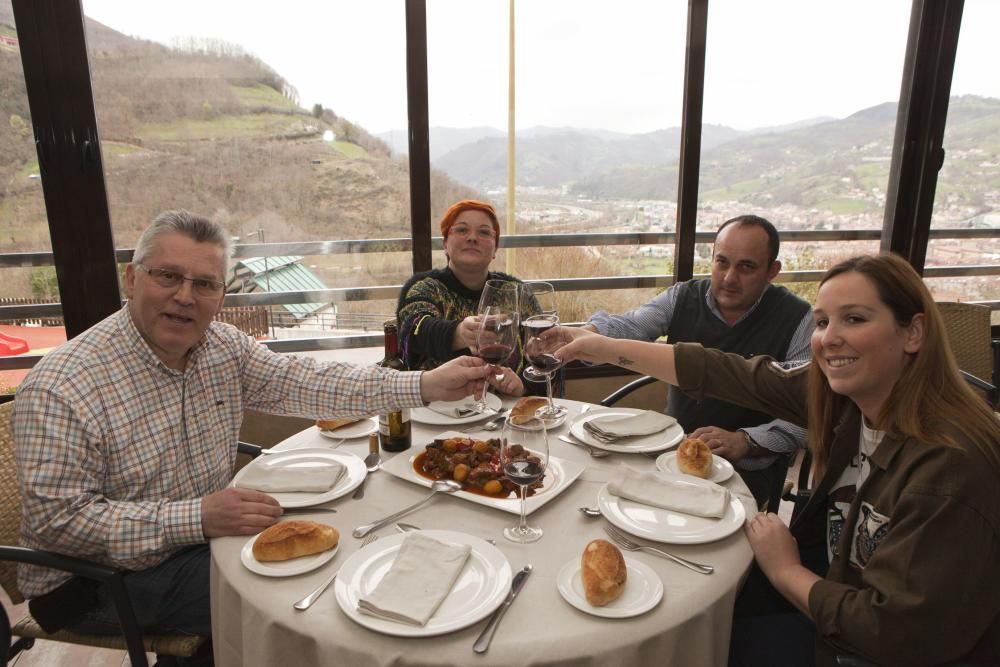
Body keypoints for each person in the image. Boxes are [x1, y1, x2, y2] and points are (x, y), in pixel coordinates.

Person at [11, 210, 490, 666]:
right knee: (314, 600)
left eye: (204, 284)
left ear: (222, 295)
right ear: (132, 280)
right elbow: (60, 523)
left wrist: (424, 385)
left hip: (203, 539)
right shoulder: (63, 385)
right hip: (97, 582)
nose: (185, 296)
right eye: (168, 276)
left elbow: (308, 381)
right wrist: (196, 517)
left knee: (354, 537)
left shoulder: (220, 346)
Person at [548, 253, 1000, 666]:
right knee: (688, 599)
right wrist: (600, 346)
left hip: (862, 645)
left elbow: (891, 631)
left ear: (914, 332)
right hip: (836, 576)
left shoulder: (948, 467)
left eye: (855, 319)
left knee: (696, 639)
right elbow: (732, 373)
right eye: (822, 322)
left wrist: (785, 570)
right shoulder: (848, 394)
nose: (829, 339)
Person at [586, 214, 813, 508]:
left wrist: (746, 441)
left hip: (747, 471)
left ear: (772, 271)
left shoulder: (797, 318)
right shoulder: (683, 297)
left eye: (746, 267)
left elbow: (808, 415)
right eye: (722, 262)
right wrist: (589, 335)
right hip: (670, 452)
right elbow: (631, 328)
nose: (730, 278)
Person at [396, 199, 539, 398]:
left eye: (484, 232)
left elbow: (545, 354)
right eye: (462, 230)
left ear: (495, 248)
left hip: (505, 415)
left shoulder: (517, 293)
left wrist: (522, 387)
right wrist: (459, 333)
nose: (472, 238)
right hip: (435, 416)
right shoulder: (425, 287)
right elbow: (412, 330)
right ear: (445, 244)